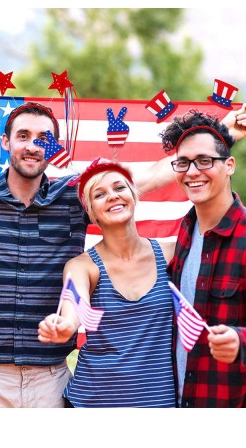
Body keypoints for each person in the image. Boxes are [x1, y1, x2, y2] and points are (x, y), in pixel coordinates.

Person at [0, 101, 244, 408]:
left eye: (42, 138)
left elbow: (146, 179)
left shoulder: (74, 196)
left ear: (53, 147)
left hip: (52, 379)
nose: (32, 145)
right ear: (6, 142)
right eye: (22, 135)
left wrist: (224, 131)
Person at [38, 160, 177, 407]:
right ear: (90, 211)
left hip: (159, 401)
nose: (112, 197)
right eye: (100, 194)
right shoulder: (82, 266)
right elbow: (75, 309)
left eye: (119, 188)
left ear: (134, 196)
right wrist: (64, 326)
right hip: (94, 401)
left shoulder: (171, 254)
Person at [159, 109, 246, 408]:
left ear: (229, 165)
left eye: (205, 161)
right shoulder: (185, 231)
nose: (192, 172)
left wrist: (240, 342)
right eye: (183, 163)